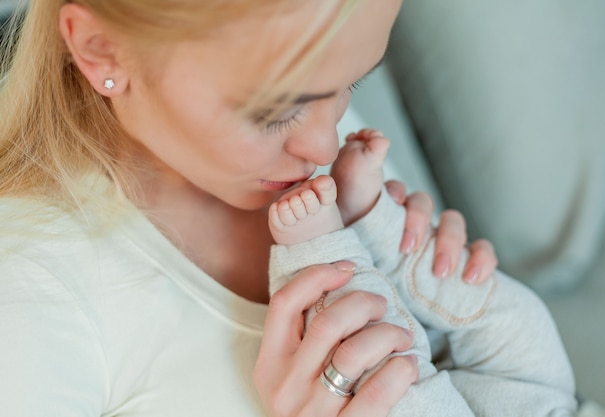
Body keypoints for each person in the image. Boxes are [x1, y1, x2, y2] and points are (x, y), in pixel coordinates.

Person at [0, 1, 507, 416]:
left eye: (354, 83)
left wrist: (444, 288)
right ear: (102, 50)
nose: (326, 147)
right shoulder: (30, 292)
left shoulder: (315, 110)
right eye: (275, 109)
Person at [268, 128, 577, 416]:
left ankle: (323, 255)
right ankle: (374, 222)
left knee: (399, 384)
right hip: (558, 405)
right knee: (523, 321)